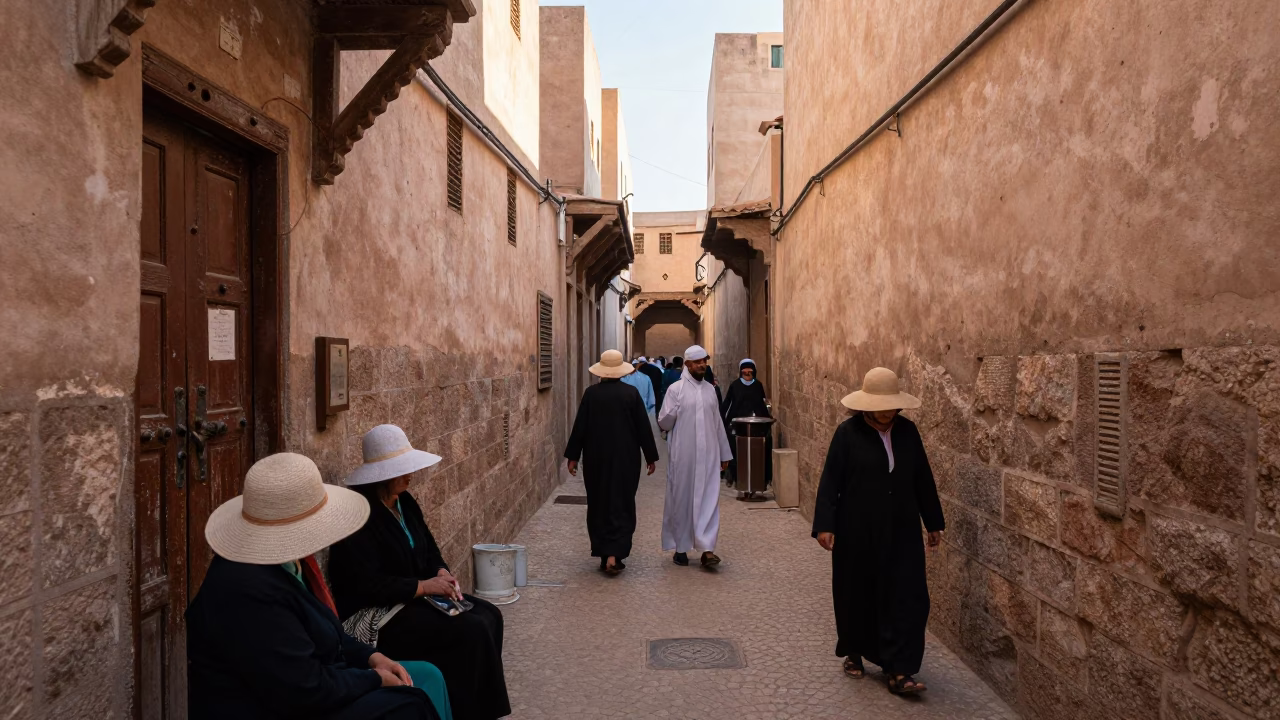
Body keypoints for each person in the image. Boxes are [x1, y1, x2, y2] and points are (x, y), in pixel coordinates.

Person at [186, 453, 451, 720]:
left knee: (428, 677)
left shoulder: (291, 564)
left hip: (322, 682)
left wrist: (372, 657)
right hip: (280, 706)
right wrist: (373, 679)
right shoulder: (249, 589)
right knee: (410, 705)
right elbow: (303, 688)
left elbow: (329, 633)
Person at [328, 425, 511, 720]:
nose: (409, 475)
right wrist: (425, 587)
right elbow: (366, 585)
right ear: (382, 476)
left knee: (490, 615)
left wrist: (441, 572)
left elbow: (428, 548)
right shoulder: (358, 516)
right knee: (470, 631)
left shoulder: (405, 502)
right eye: (401, 470)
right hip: (377, 612)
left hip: (411, 598)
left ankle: (484, 709)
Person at [812, 367, 946, 696]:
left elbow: (922, 478)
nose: (886, 411)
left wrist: (933, 522)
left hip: (901, 529)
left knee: (908, 595)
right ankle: (855, 651)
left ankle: (899, 669)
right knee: (858, 591)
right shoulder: (847, 434)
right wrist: (825, 525)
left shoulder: (907, 433)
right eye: (879, 404)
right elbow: (831, 482)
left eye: (891, 404)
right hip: (858, 529)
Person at [564, 350, 660, 574]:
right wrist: (651, 456)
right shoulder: (631, 394)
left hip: (596, 458)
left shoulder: (591, 394)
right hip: (626, 459)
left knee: (599, 502)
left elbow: (580, 427)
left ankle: (604, 551)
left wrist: (573, 457)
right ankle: (615, 555)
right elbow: (643, 428)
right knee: (623, 502)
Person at [658, 344, 733, 568]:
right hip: (684, 456)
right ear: (688, 364)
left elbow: (717, 422)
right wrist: (675, 409)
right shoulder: (675, 390)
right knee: (682, 499)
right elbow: (664, 422)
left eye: (704, 361)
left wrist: (724, 452)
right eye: (698, 362)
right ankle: (680, 548)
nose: (702, 365)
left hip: (709, 455)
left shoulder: (711, 390)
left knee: (709, 499)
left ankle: (707, 549)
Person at [721, 358, 772, 488]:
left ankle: (761, 478)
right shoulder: (735, 385)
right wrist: (723, 420)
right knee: (735, 450)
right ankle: (733, 475)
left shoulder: (758, 385)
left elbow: (761, 403)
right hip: (737, 424)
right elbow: (728, 403)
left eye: (750, 370)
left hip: (756, 425)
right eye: (745, 370)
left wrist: (767, 420)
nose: (747, 372)